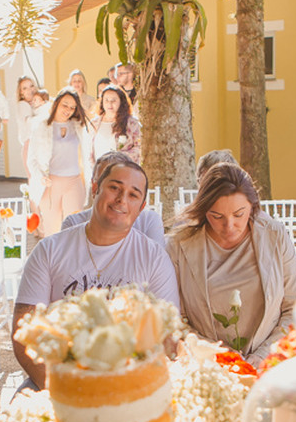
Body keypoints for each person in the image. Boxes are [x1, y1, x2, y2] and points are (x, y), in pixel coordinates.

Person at [13, 159, 179, 389]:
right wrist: (61, 391)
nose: (122, 199)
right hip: (58, 378)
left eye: (133, 195)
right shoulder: (50, 250)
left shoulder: (154, 260)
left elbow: (168, 339)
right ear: (95, 189)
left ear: (141, 207)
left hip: (128, 384)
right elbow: (24, 329)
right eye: (114, 188)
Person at [166, 162, 296, 366]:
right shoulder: (178, 245)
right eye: (217, 216)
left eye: (239, 214)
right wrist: (220, 356)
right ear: (204, 211)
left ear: (253, 206)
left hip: (270, 363)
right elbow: (176, 320)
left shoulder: (275, 236)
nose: (229, 226)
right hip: (208, 366)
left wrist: (263, 356)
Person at [28, 88, 93, 236]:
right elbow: (31, 158)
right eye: (65, 105)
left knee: (75, 228)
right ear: (56, 103)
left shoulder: (79, 127)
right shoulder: (41, 126)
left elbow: (87, 154)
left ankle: (74, 259)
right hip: (51, 184)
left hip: (74, 181)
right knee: (52, 230)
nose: (68, 110)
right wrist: (40, 176)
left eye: (72, 107)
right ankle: (54, 259)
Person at [62, 152, 165, 245]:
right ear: (94, 186)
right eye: (113, 187)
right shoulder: (73, 223)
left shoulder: (148, 221)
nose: (121, 199)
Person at [89, 84, 142, 162]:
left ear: (121, 101)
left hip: (123, 169)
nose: (110, 104)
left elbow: (140, 147)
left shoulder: (132, 123)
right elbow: (89, 151)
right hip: (99, 170)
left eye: (113, 100)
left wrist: (121, 157)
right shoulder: (94, 124)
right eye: (106, 100)